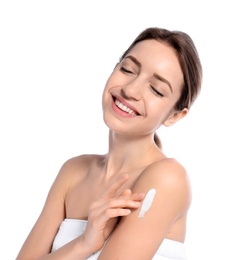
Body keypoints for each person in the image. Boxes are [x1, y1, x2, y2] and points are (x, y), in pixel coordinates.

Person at [16, 27, 202, 260]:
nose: (130, 89)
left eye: (156, 89)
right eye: (127, 69)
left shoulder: (168, 179)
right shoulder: (73, 172)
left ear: (175, 116)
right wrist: (84, 244)